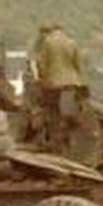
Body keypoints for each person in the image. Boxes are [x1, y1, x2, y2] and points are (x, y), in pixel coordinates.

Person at [29, 23, 88, 154]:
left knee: (54, 115)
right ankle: (69, 145)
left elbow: (42, 65)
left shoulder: (48, 42)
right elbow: (79, 65)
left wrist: (41, 81)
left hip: (53, 86)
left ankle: (56, 147)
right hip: (70, 85)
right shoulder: (71, 42)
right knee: (67, 113)